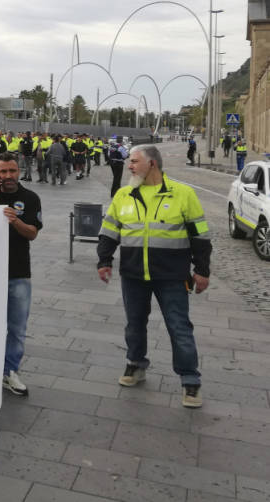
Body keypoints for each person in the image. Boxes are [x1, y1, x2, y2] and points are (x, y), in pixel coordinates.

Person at [97, 145, 211, 408]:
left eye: (135, 161)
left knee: (179, 327)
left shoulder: (183, 194)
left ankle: (190, 380)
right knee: (134, 324)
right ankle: (135, 364)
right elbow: (109, 231)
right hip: (133, 274)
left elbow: (200, 235)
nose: (130, 166)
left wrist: (202, 270)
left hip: (172, 276)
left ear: (152, 164)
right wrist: (104, 260)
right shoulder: (124, 195)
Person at [0, 152, 43, 397]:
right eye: (2, 172)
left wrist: (15, 221)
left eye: (12, 171)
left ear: (19, 170)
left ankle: (9, 371)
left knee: (16, 327)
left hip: (17, 273)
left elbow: (32, 233)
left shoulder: (30, 197)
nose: (8, 176)